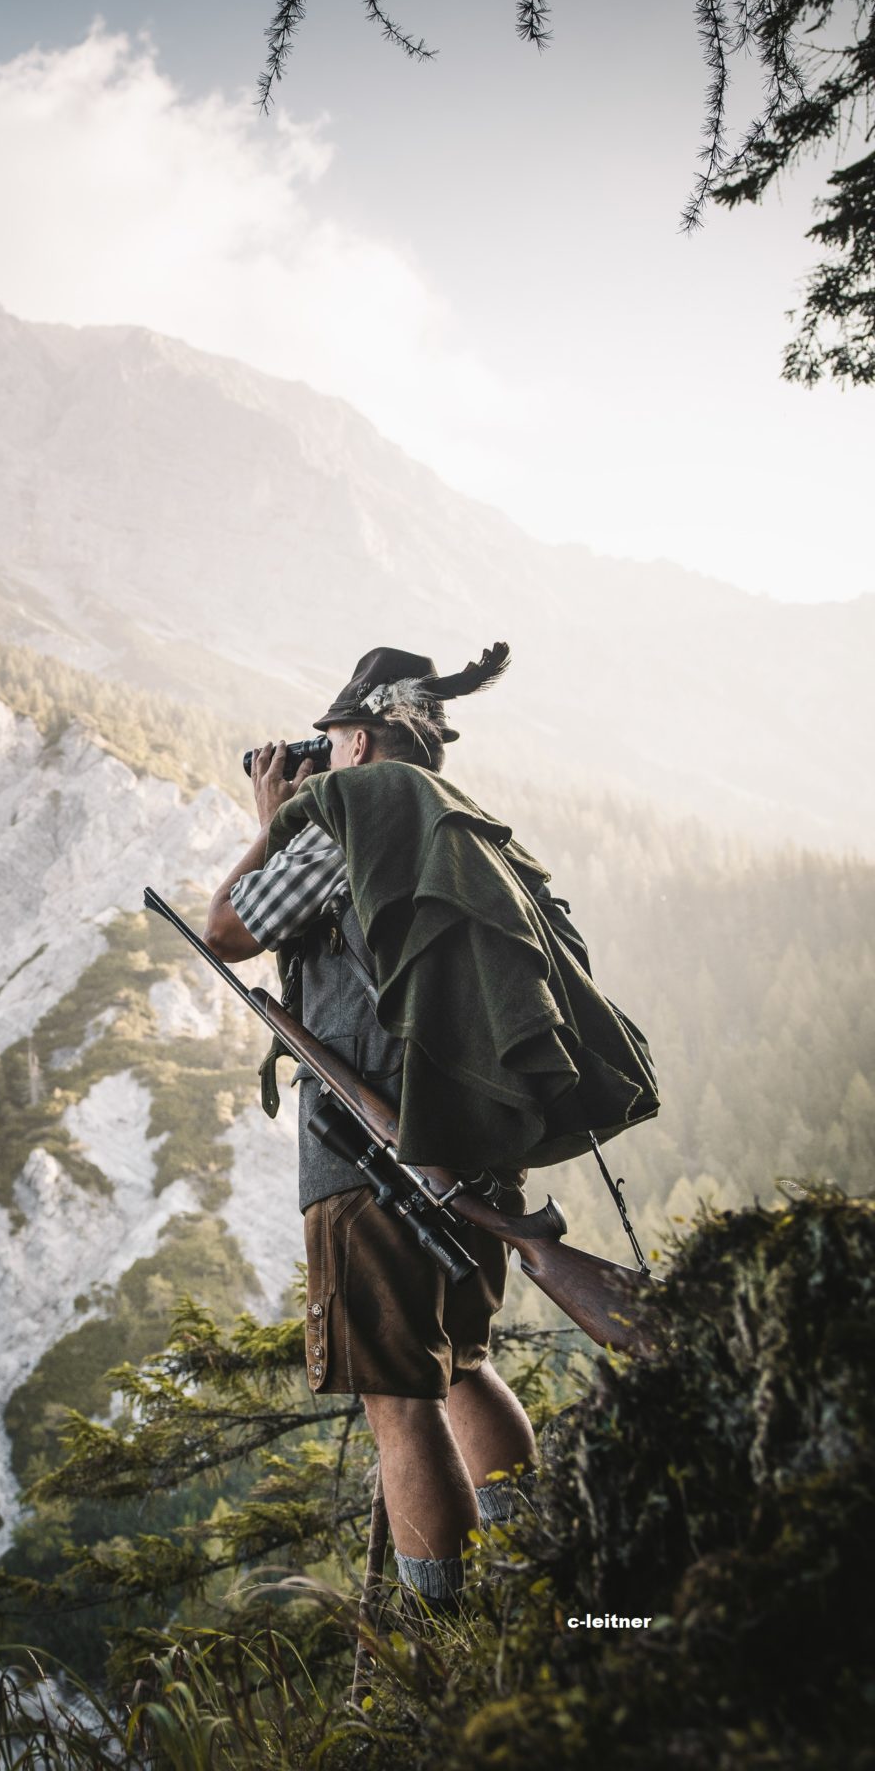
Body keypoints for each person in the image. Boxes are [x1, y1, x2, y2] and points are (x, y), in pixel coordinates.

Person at [202, 643, 656, 1613]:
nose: (317, 761)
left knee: (400, 1403)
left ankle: (437, 1636)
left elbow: (226, 929)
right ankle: (538, 1566)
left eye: (327, 744)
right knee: (464, 1366)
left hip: (373, 1158)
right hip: (464, 1144)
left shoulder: (348, 823)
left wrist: (276, 817)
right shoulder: (465, 832)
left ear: (359, 738)